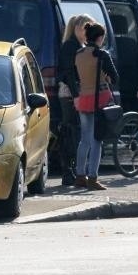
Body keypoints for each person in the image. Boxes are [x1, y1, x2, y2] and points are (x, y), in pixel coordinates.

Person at [73, 22, 119, 190]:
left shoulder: (78, 54)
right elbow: (115, 77)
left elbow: (76, 76)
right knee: (97, 140)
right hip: (100, 98)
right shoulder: (101, 55)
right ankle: (93, 177)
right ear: (100, 38)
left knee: (84, 139)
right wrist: (106, 78)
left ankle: (80, 175)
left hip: (83, 97)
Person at [56, 14, 95, 185]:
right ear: (76, 28)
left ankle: (75, 169)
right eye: (83, 27)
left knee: (79, 132)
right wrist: (76, 95)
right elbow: (68, 73)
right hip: (70, 93)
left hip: (82, 92)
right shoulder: (69, 46)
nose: (86, 31)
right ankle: (67, 170)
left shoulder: (83, 45)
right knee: (70, 131)